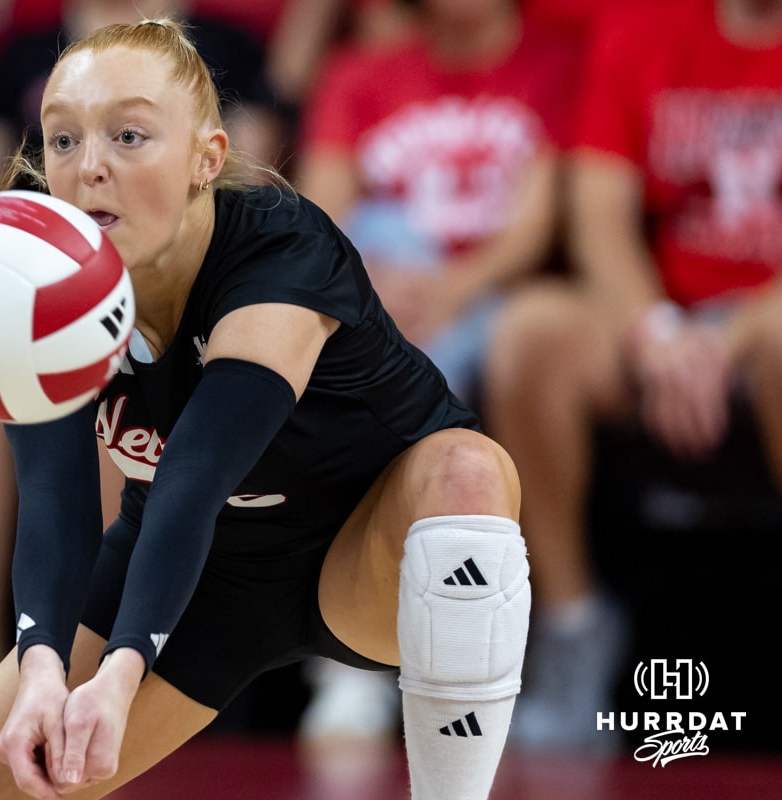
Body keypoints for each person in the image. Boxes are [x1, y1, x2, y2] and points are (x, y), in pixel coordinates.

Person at [0, 18, 529, 800]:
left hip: (367, 549)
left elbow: (197, 473)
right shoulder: (33, 263)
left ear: (208, 158)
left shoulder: (280, 246)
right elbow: (55, 496)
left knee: (468, 469)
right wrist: (42, 669)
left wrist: (122, 671)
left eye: (129, 135)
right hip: (201, 579)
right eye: (62, 140)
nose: (89, 167)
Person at [0, 0, 282, 741]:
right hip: (44, 287)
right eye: (64, 136)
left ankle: (101, 656)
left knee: (114, 392)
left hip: (183, 297)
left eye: (127, 131)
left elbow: (241, 193)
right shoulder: (17, 52)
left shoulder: (227, 48)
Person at [485, 0, 782, 751]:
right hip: (665, 316)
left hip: (766, 325)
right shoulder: (644, 25)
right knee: (532, 331)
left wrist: (737, 335)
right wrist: (659, 334)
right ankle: (571, 625)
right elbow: (599, 217)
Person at [293, 0, 577, 745]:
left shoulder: (554, 63)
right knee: (339, 325)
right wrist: (373, 291)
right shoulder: (360, 74)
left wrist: (445, 293)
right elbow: (321, 215)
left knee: (405, 375)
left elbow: (535, 226)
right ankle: (353, 653)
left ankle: (415, 655)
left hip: (491, 300)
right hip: (386, 298)